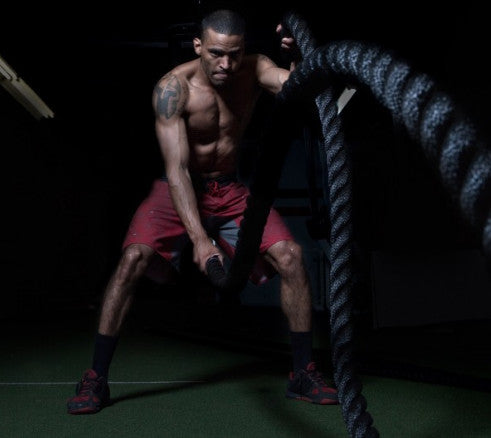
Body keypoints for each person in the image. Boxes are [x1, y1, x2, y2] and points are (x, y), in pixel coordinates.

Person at [66, 9, 338, 415]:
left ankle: (302, 373)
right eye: (215, 53)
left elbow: (294, 89)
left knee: (292, 257)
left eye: (234, 54)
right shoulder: (173, 89)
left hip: (229, 190)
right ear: (198, 46)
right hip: (177, 187)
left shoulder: (255, 68)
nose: (226, 64)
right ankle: (96, 378)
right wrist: (200, 241)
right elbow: (177, 169)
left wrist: (298, 56)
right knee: (131, 259)